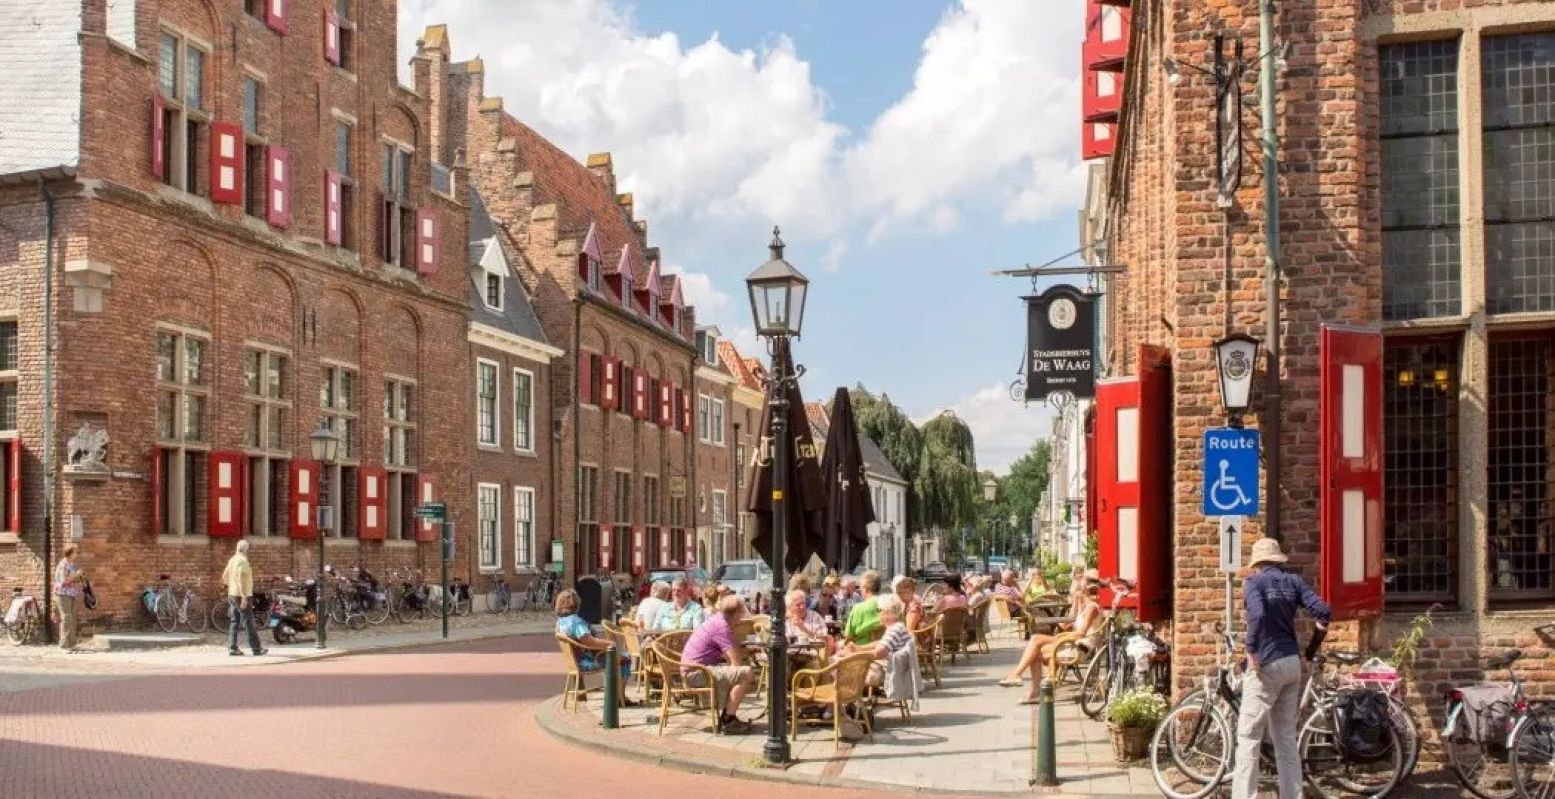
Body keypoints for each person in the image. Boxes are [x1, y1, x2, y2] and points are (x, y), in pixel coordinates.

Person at [1232, 538, 1331, 799]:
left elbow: (1258, 615)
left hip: (1267, 664)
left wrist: (1251, 650)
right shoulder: (1293, 582)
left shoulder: (1254, 582)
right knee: (1285, 739)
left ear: (1257, 563)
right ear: (1278, 560)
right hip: (1291, 664)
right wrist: (1309, 652)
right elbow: (1323, 611)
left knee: (1248, 737)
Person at [999, 580, 1102, 700]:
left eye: (1073, 593)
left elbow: (1082, 633)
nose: (1071, 596)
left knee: (1035, 640)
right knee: (1034, 650)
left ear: (1082, 592)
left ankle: (1019, 677)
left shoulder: (1092, 608)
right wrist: (1075, 606)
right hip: (1073, 643)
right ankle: (1029, 688)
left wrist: (1060, 636)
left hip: (1080, 648)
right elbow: (1071, 623)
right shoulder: (1085, 606)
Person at [680, 594, 755, 734]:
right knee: (746, 673)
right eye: (742, 612)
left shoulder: (716, 620)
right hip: (696, 674)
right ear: (737, 613)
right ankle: (729, 720)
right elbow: (736, 662)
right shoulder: (722, 627)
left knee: (737, 674)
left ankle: (727, 715)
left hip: (693, 670)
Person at [554, 589, 634, 704]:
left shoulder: (560, 622)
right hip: (587, 661)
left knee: (613, 655)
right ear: (575, 604)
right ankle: (619, 696)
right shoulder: (576, 623)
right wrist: (610, 643)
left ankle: (614, 693)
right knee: (624, 658)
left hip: (575, 661)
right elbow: (589, 642)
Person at [843, 594, 913, 686]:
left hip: (890, 673)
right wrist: (858, 648)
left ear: (887, 612)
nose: (878, 614)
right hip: (894, 669)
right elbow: (881, 643)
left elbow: (878, 653)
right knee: (842, 662)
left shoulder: (895, 630)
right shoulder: (897, 627)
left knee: (840, 668)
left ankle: (846, 697)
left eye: (879, 610)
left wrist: (854, 654)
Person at [221, 540, 267, 657]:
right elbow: (241, 578)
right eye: (248, 548)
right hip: (241, 595)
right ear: (245, 549)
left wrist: (231, 586)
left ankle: (233, 648)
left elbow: (224, 576)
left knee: (234, 621)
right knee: (249, 622)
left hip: (232, 594)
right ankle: (256, 648)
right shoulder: (243, 561)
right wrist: (243, 597)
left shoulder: (232, 559)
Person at [52, 544, 84, 652]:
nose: (77, 554)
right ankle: (64, 645)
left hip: (70, 594)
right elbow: (64, 581)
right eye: (75, 552)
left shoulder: (72, 564)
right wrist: (76, 575)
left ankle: (72, 643)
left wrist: (79, 576)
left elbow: (73, 579)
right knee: (66, 618)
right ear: (70, 553)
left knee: (71, 618)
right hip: (62, 594)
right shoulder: (63, 565)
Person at [842, 570, 884, 644]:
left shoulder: (858, 608)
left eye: (860, 587)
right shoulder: (887, 605)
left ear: (866, 589)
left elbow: (848, 637)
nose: (860, 590)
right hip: (884, 649)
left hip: (861, 652)